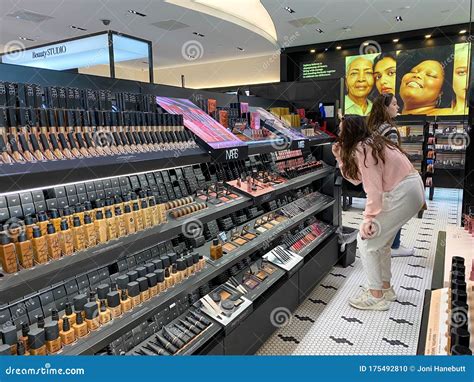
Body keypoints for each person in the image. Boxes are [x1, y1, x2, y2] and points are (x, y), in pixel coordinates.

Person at [332, 116, 425, 310]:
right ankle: (385, 288)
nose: (339, 134)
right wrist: (340, 158)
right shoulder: (372, 143)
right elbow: (357, 178)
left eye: (342, 130)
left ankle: (375, 297)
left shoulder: (364, 149)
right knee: (381, 243)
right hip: (411, 189)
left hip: (402, 192)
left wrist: (369, 218)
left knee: (366, 241)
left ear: (349, 132)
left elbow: (372, 189)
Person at [367, 93, 414, 256]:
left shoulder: (372, 127)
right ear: (385, 108)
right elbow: (393, 159)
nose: (398, 107)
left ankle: (383, 243)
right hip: (392, 179)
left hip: (376, 177)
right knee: (397, 211)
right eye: (394, 104)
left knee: (382, 212)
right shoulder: (390, 129)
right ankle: (394, 246)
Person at [396, 48, 454, 115]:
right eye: (413, 71)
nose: (417, 75)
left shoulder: (451, 114)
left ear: (441, 92)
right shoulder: (390, 116)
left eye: (430, 75)